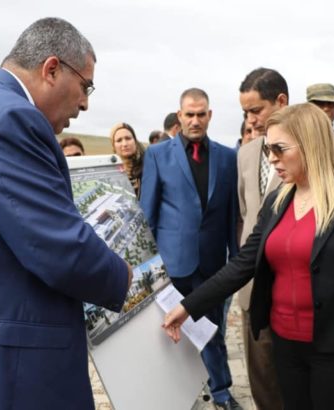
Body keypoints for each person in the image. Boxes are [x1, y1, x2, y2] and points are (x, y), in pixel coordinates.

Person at [0, 18, 132, 410]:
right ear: (51, 69)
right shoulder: (12, 119)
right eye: (85, 86)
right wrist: (122, 275)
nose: (85, 103)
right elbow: (56, 246)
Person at [164, 103, 334, 410]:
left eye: (280, 149)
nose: (271, 158)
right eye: (269, 149)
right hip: (284, 345)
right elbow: (243, 264)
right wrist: (189, 307)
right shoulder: (277, 200)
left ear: (310, 145)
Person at [140, 88, 241, 410]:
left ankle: (221, 392)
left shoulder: (228, 158)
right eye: (189, 114)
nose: (195, 120)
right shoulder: (157, 155)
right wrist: (148, 267)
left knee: (211, 331)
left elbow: (231, 216)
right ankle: (172, 396)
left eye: (201, 114)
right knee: (167, 332)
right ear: (180, 116)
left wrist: (235, 263)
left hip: (212, 265)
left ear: (209, 115)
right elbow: (148, 214)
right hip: (171, 265)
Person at [237, 67, 286, 410]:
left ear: (281, 101)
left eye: (256, 110)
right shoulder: (246, 153)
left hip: (294, 290)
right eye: (245, 113)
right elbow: (246, 212)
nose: (250, 120)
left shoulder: (317, 150)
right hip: (252, 287)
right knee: (261, 381)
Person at [110, 122, 145, 198]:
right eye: (119, 140)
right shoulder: (110, 173)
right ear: (114, 146)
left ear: (135, 141)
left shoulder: (148, 166)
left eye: (128, 138)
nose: (125, 144)